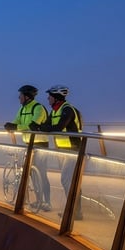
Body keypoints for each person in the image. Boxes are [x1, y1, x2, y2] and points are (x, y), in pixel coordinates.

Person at [32, 84, 83, 219]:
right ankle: (74, 210)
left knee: (67, 180)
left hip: (73, 149)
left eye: (50, 96)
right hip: (62, 149)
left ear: (56, 97)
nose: (48, 98)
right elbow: (47, 125)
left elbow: (59, 127)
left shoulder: (67, 110)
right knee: (70, 180)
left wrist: (41, 127)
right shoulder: (55, 111)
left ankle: (75, 212)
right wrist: (41, 127)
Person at [4, 84, 50, 209]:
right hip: (27, 144)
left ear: (27, 96)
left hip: (40, 145)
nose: (19, 98)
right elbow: (16, 122)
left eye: (21, 95)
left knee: (41, 174)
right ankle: (38, 200)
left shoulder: (38, 108)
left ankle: (47, 202)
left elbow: (33, 125)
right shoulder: (22, 109)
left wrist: (16, 127)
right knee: (31, 174)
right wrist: (10, 125)